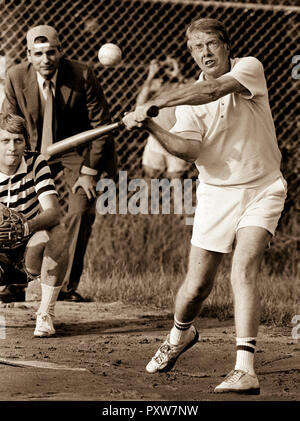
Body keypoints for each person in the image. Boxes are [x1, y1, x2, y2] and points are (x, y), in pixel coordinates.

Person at [122, 18, 287, 394]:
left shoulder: (249, 68)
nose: (205, 53)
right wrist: (152, 126)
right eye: (197, 48)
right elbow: (189, 149)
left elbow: (212, 91)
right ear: (191, 53)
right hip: (215, 193)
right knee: (196, 288)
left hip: (263, 187)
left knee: (243, 268)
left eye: (211, 44)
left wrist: (156, 100)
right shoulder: (189, 104)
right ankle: (180, 334)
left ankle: (245, 368)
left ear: (227, 45)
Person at [2, 25, 117, 303]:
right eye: (38, 53)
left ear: (60, 51)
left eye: (51, 52)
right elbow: (10, 123)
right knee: (13, 208)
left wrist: (89, 172)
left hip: (76, 152)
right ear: (28, 55)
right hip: (32, 149)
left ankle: (64, 287)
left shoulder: (82, 74)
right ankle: (15, 281)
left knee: (80, 207)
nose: (45, 59)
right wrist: (16, 160)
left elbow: (102, 127)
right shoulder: (16, 75)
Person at [0, 112, 68, 336]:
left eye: (18, 140)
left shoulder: (36, 161)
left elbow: (53, 212)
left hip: (27, 251)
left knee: (57, 231)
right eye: (5, 141)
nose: (12, 147)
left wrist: (25, 226)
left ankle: (45, 314)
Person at [136, 57, 190, 179]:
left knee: (177, 181)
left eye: (172, 65)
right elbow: (139, 104)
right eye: (166, 66)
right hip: (156, 137)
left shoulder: (188, 83)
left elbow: (190, 92)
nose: (169, 69)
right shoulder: (156, 85)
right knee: (150, 178)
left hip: (178, 138)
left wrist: (179, 76)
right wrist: (151, 75)